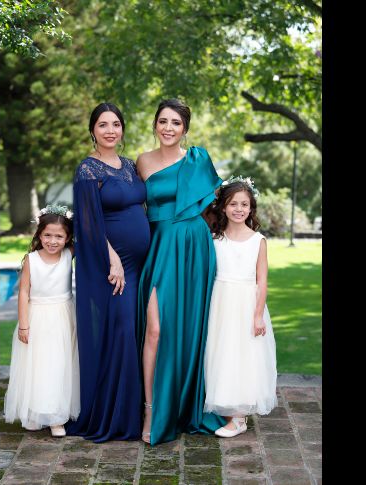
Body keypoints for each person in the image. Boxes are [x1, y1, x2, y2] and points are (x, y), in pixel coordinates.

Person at [135, 98, 226, 445]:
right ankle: (150, 407)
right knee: (155, 329)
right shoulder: (142, 161)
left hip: (192, 245)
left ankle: (185, 405)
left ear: (185, 129)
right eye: (163, 121)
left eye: (175, 122)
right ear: (155, 125)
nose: (168, 128)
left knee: (188, 328)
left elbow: (216, 205)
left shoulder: (197, 159)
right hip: (158, 246)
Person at [66, 103, 151, 442]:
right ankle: (116, 417)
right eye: (103, 125)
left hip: (144, 263)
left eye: (116, 124)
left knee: (134, 332)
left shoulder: (130, 166)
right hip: (113, 266)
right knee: (121, 331)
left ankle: (129, 410)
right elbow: (87, 222)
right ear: (93, 130)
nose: (111, 130)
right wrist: (112, 258)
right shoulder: (87, 170)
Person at [203, 177, 278, 437]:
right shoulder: (215, 238)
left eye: (244, 204)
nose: (238, 209)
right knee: (223, 353)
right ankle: (227, 406)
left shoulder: (258, 240)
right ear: (223, 207)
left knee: (244, 356)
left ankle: (238, 417)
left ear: (251, 208)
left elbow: (262, 280)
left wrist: (258, 315)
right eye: (232, 203)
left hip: (246, 303)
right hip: (221, 302)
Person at [3, 206, 79, 437]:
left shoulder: (69, 254)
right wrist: (24, 325)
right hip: (37, 317)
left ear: (67, 238)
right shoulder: (31, 260)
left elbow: (88, 234)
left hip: (63, 316)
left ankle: (57, 417)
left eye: (59, 236)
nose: (53, 241)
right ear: (39, 235)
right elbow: (24, 292)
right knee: (38, 366)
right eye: (47, 235)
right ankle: (36, 413)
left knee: (59, 365)